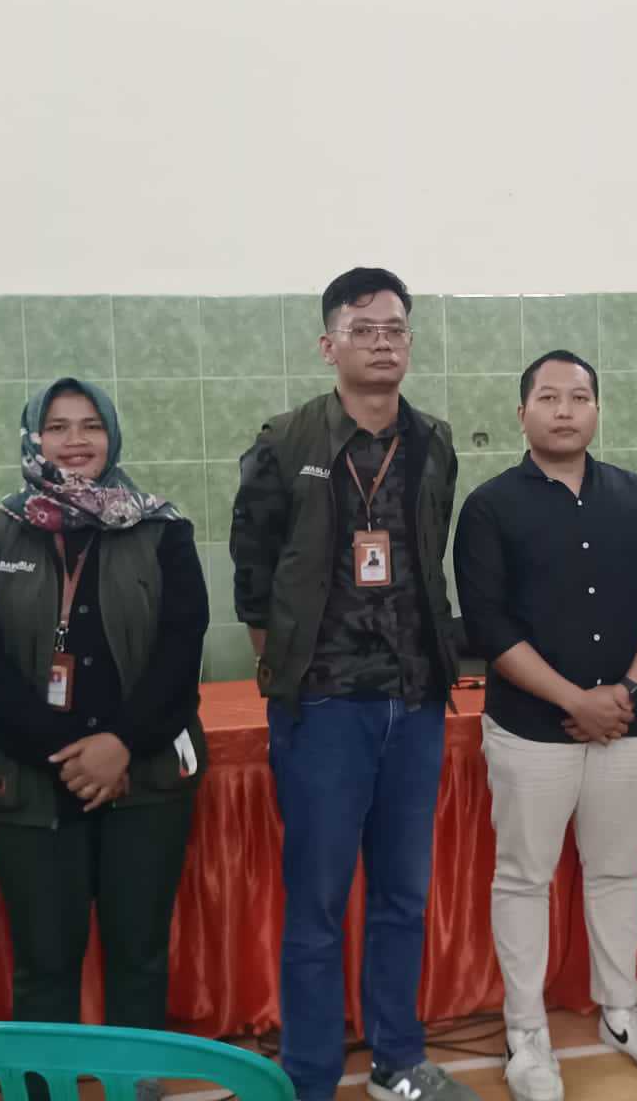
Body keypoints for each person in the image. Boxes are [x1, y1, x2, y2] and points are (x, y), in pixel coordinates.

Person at [230, 266, 476, 1101]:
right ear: (328, 344)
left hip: (415, 699)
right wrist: (292, 668)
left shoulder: (434, 442)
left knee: (403, 895)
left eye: (395, 329)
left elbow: (432, 553)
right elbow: (254, 575)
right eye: (363, 329)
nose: (382, 343)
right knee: (319, 902)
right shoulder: (286, 443)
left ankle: (398, 1061)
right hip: (325, 706)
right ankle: (308, 1074)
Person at [454, 350, 637, 1101]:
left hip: (627, 723)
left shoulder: (636, 495)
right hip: (531, 731)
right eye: (549, 398)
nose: (565, 410)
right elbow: (489, 627)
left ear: (596, 410)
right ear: (522, 412)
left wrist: (627, 689)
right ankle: (525, 1032)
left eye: (580, 397)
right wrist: (573, 699)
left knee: (617, 870)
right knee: (524, 878)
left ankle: (622, 1011)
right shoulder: (489, 506)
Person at [0, 378, 208, 1036]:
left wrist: (120, 744)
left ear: (112, 435)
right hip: (32, 782)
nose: (75, 440)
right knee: (43, 964)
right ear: (34, 439)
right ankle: (45, 1083)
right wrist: (67, 756)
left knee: (140, 955)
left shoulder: (161, 530)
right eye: (58, 427)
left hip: (145, 775)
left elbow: (182, 652)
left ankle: (136, 1080)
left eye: (91, 425)